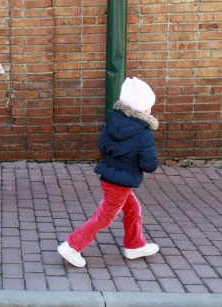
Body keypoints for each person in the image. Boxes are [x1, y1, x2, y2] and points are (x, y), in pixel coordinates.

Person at [57, 77, 161, 267]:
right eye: (149, 106)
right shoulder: (144, 134)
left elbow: (104, 147)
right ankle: (72, 246)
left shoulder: (113, 122)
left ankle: (135, 245)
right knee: (103, 218)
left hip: (110, 176)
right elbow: (149, 164)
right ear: (142, 109)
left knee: (133, 209)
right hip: (121, 182)